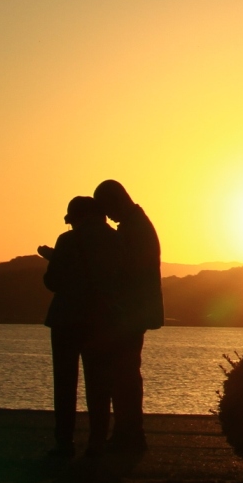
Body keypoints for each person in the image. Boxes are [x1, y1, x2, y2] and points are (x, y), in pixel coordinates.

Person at [40, 195, 124, 457]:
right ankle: (97, 441)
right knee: (99, 385)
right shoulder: (115, 241)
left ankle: (64, 442)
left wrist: (54, 261)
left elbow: (53, 281)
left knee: (65, 384)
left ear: (78, 218)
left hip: (65, 320)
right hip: (101, 321)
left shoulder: (68, 241)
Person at [95, 179, 162, 453]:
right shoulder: (136, 225)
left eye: (108, 208)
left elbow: (126, 271)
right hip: (133, 312)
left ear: (117, 201)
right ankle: (129, 431)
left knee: (124, 375)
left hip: (130, 313)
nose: (108, 216)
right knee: (125, 374)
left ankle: (130, 434)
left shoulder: (134, 229)